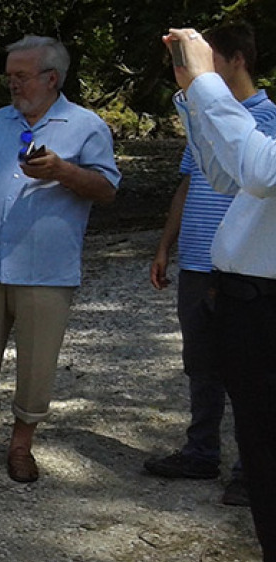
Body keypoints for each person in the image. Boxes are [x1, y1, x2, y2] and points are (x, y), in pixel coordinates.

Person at [0, 35, 120, 483]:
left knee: (37, 360)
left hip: (47, 268)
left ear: (52, 78)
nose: (11, 84)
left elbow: (107, 189)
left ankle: (21, 443)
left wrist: (63, 171)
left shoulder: (86, 126)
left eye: (21, 76)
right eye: (9, 75)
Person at [167, 25, 276, 562]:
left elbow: (259, 170)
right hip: (248, 308)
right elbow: (223, 171)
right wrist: (191, 95)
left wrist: (206, 79)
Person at [144, 23, 273, 507]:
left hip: (261, 287)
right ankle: (204, 452)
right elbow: (213, 175)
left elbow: (257, 171)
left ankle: (247, 469)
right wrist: (192, 95)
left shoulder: (269, 121)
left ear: (237, 60)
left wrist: (205, 90)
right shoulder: (213, 111)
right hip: (216, 270)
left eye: (207, 60)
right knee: (204, 366)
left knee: (253, 393)